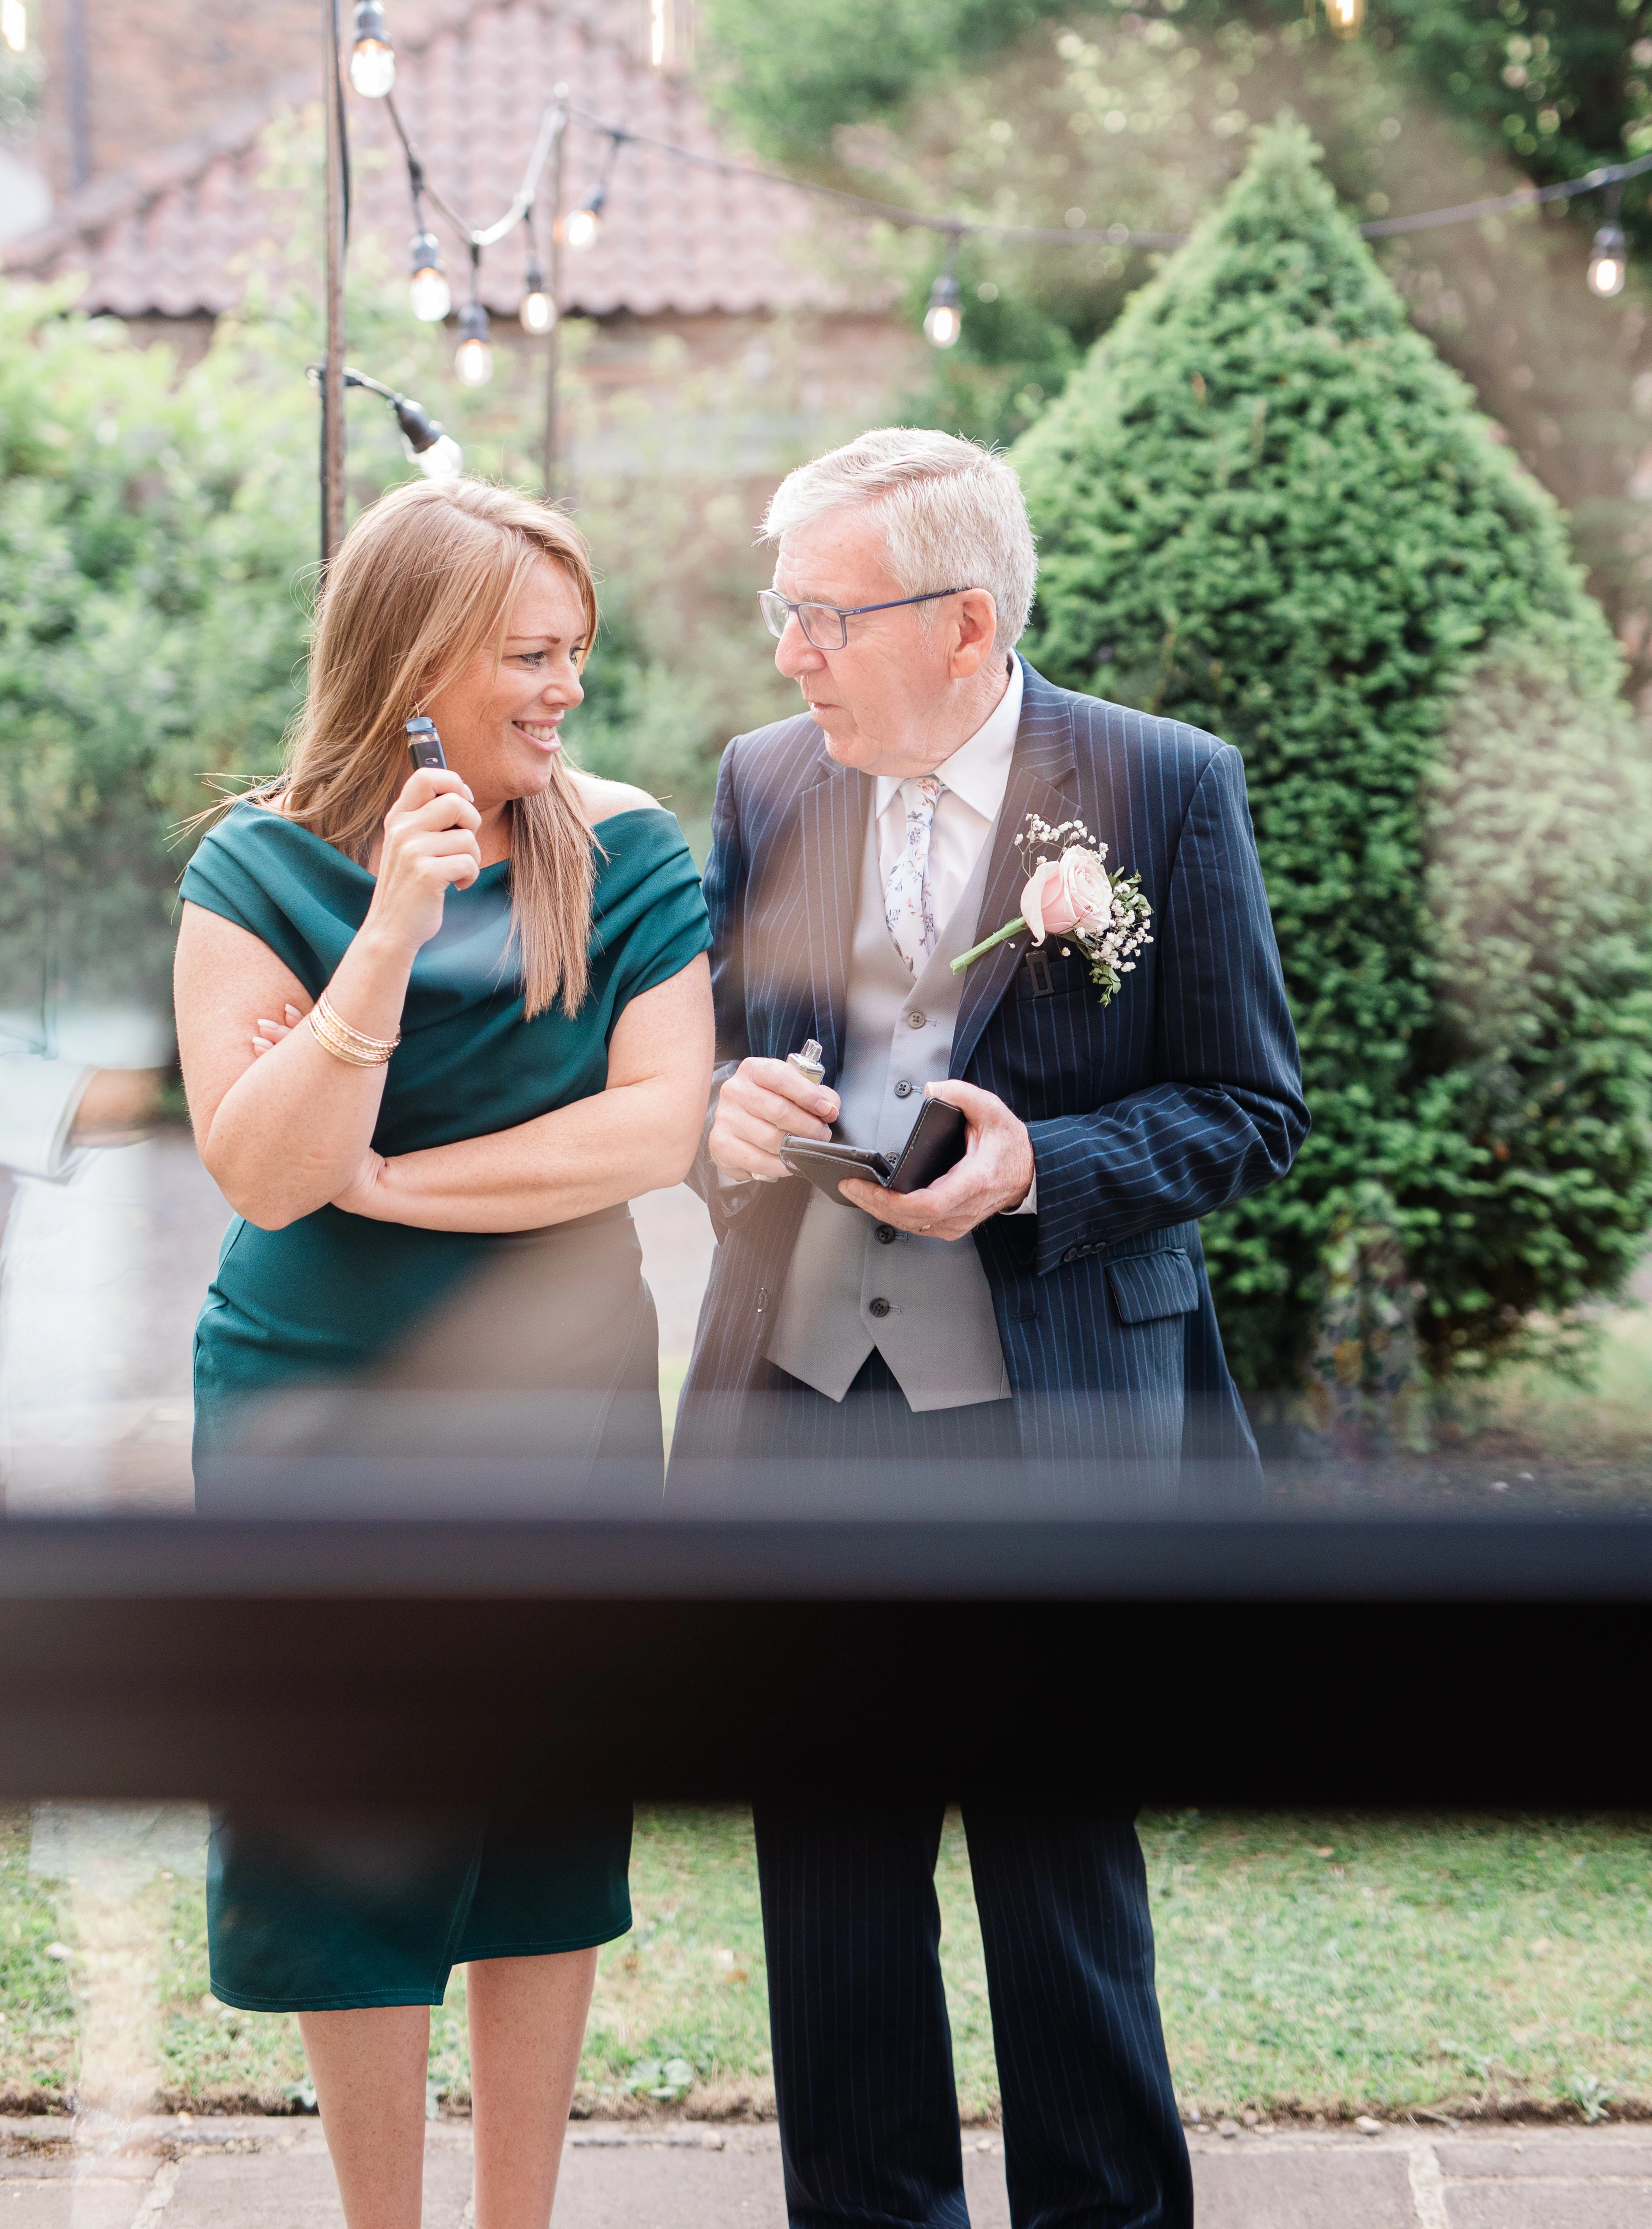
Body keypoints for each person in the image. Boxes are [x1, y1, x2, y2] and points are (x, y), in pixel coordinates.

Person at [674, 430, 1306, 2229]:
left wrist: (1047, 1167)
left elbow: (1248, 1106)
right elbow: (710, 1064)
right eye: (783, 609)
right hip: (802, 1398)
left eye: (825, 614)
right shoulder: (765, 776)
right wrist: (722, 1119)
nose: (788, 651)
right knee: (830, 1883)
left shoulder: (1161, 784)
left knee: (1060, 1877)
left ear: (963, 624)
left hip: (1053, 1407)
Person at [172, 476, 711, 2229]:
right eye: (530, 656)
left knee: (542, 1812)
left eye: (576, 653)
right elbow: (265, 1173)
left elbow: (653, 1130)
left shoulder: (627, 852)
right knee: (343, 1816)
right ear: (412, 662)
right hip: (310, 1396)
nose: (568, 690)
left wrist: (389, 1178)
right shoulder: (254, 868)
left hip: (563, 1395)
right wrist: (386, 939)